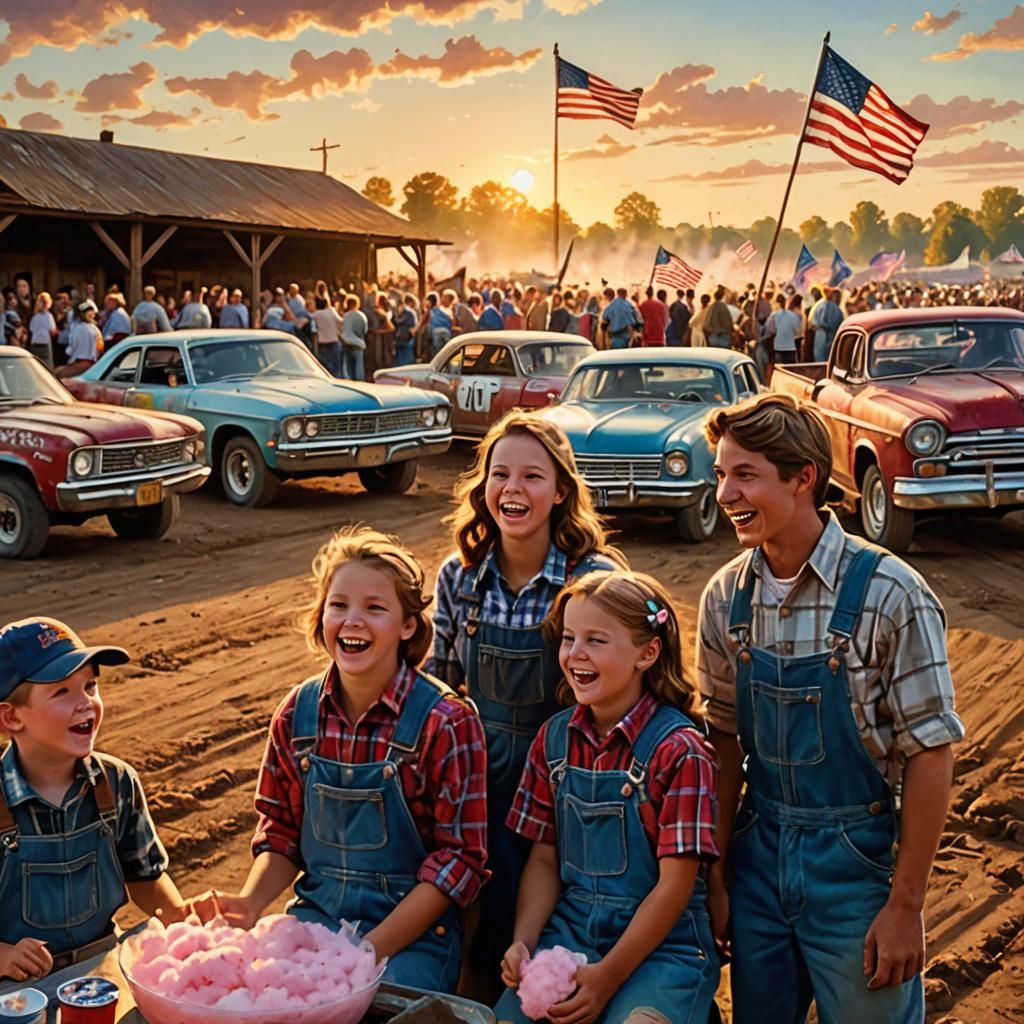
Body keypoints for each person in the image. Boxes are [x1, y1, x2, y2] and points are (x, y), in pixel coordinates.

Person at [698, 394, 964, 1024]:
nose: (725, 494)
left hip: (857, 870)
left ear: (803, 478)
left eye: (744, 475)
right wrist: (716, 878)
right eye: (719, 475)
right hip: (757, 861)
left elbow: (932, 753)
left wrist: (905, 906)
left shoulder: (890, 594)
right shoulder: (724, 600)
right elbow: (724, 745)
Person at [204, 527, 488, 993]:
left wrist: (368, 951)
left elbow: (459, 862)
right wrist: (251, 903)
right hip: (315, 923)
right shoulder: (298, 714)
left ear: (408, 626)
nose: (352, 620)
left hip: (410, 941)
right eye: (338, 605)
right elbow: (280, 832)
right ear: (321, 617)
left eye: (375, 608)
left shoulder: (447, 723)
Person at [427, 410, 622, 997]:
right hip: (480, 776)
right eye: (500, 473)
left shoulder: (593, 578)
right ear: (482, 486)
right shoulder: (458, 579)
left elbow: (621, 697)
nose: (513, 489)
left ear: (562, 490)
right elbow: (439, 691)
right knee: (477, 927)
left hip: (573, 776)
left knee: (568, 930)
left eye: (533, 477)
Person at [495, 571, 720, 1024]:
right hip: (570, 933)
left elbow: (675, 886)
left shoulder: (681, 751)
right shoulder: (553, 740)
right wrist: (524, 940)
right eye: (569, 638)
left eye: (596, 640)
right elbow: (543, 858)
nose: (575, 653)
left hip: (663, 949)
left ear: (647, 653)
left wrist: (609, 976)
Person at [0, 618, 189, 997]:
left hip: (102, 970)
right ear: (11, 716)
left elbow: (145, 878)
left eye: (90, 685)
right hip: (16, 992)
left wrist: (184, 926)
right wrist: (1, 956)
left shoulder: (116, 783)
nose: (86, 702)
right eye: (62, 692)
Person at [55, 300, 102, 379]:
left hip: (79, 363)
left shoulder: (77, 329)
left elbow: (70, 349)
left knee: (57, 373)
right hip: (93, 364)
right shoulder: (96, 330)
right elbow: (100, 348)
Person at [311, 299, 344, 378]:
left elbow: (313, 327)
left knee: (325, 365)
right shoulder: (331, 311)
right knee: (336, 365)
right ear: (326, 305)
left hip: (322, 342)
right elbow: (340, 321)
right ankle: (337, 379)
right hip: (333, 340)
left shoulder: (315, 314)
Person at [340, 293, 368, 381]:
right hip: (359, 343)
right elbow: (364, 330)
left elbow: (342, 329)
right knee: (359, 367)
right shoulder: (361, 315)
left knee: (349, 368)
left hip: (347, 343)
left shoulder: (345, 316)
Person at [27, 292, 57, 368]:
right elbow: (53, 331)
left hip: (34, 343)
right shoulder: (49, 316)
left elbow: (31, 329)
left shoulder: (34, 316)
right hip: (45, 343)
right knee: (47, 365)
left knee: (35, 364)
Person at [393, 295, 418, 366]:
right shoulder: (410, 312)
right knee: (407, 357)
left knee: (400, 357)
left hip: (400, 336)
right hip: (407, 337)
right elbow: (413, 324)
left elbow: (396, 321)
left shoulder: (400, 311)